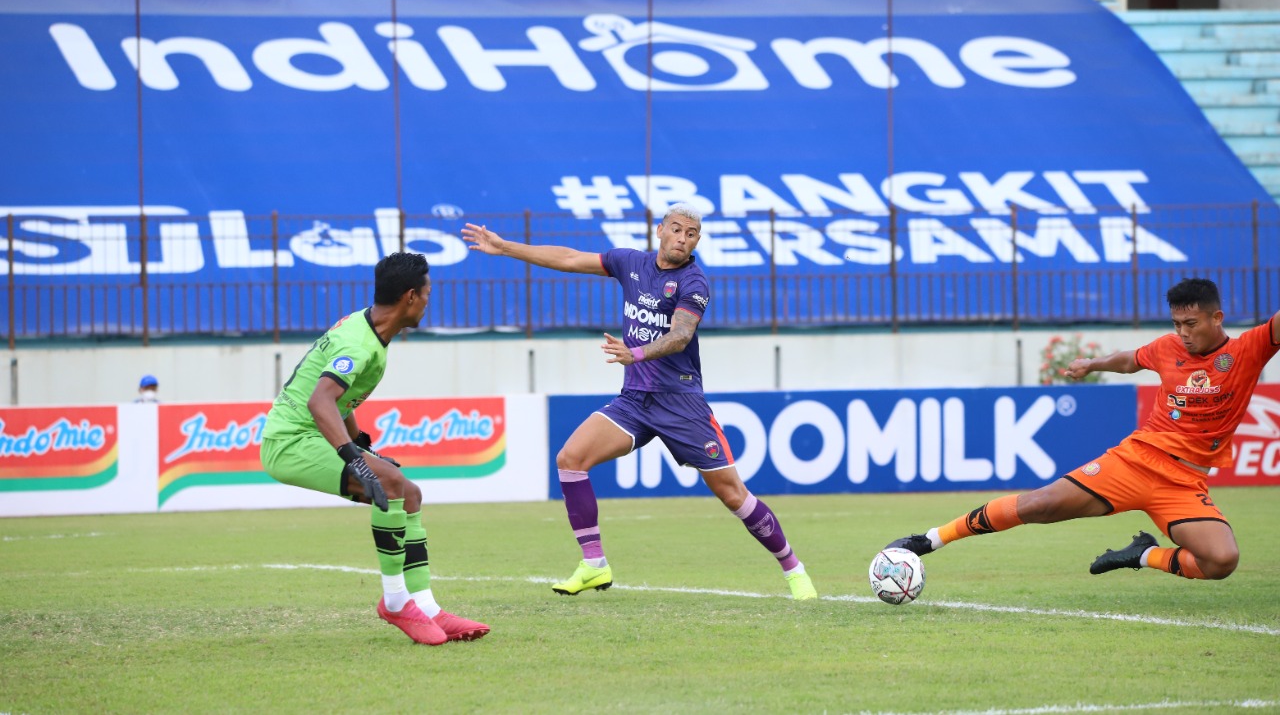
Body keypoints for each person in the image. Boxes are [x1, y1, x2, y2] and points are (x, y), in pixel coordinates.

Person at [462, 204, 818, 600]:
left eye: (692, 234)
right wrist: (505, 247)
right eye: (677, 230)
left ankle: (794, 569)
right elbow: (567, 258)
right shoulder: (629, 263)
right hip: (634, 401)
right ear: (660, 230)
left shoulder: (693, 282)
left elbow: (681, 336)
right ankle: (594, 564)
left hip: (681, 402)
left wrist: (638, 354)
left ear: (697, 241)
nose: (683, 238)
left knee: (733, 493)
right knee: (570, 459)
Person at [886, 277, 1280, 581]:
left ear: (1217, 318)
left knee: (1221, 561)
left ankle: (1142, 554)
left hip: (1183, 483)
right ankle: (930, 539)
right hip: (1135, 462)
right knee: (1038, 505)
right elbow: (1130, 360)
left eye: (1191, 323)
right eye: (1177, 324)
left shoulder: (1247, 350)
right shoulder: (1168, 348)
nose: (1183, 333)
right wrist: (1093, 363)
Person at [260, 251, 489, 645]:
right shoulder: (360, 346)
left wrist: (361, 443)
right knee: (392, 482)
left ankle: (427, 606)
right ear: (410, 296)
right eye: (429, 292)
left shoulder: (366, 328)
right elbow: (320, 402)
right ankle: (396, 601)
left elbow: (339, 399)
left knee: (409, 493)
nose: (430, 301)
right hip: (291, 442)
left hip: (313, 433)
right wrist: (354, 457)